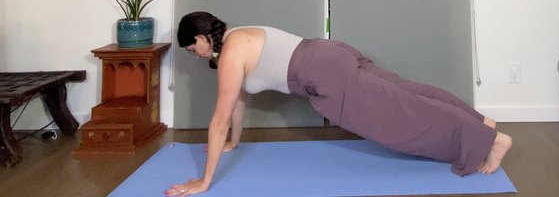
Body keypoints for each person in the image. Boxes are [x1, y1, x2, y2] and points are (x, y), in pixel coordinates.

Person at [165, 11, 513, 197]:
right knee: (408, 94)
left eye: (191, 50)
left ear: (199, 38)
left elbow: (219, 117)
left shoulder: (229, 55)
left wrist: (204, 181)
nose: (195, 56)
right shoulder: (240, 35)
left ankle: (490, 142)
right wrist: (234, 143)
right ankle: (483, 124)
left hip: (323, 73)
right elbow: (238, 103)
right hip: (330, 53)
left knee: (401, 118)